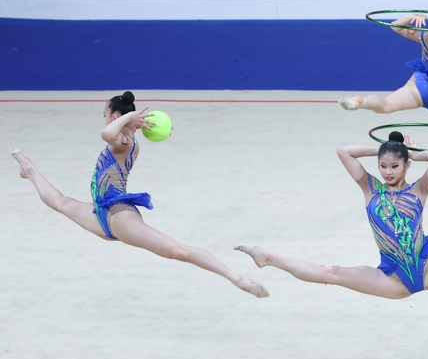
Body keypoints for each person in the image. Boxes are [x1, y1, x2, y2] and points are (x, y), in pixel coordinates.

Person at [11, 91, 268, 298]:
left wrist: (128, 117)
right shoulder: (122, 138)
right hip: (102, 211)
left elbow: (106, 134)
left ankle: (239, 279)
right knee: (62, 202)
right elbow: (109, 133)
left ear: (115, 116)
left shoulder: (127, 142)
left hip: (120, 213)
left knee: (176, 251)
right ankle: (29, 169)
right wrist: (126, 118)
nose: (104, 119)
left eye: (105, 114)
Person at [235, 131, 428, 299]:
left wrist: (411, 152)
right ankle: (266, 257)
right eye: (383, 166)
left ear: (407, 166)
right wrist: (385, 148)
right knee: (330, 274)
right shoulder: (369, 187)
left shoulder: (419, 190)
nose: (387, 172)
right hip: (392, 278)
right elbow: (343, 151)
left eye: (395, 165)